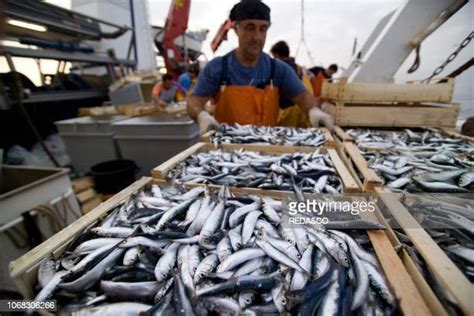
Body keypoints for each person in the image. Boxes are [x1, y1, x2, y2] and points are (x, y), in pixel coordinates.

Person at [187, 0, 333, 134]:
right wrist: (201, 115)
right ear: (236, 29)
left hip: (267, 151)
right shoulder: (218, 67)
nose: (257, 37)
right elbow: (195, 101)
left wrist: (313, 110)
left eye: (263, 29)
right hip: (226, 150)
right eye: (250, 28)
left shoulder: (278, 69)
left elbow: (302, 96)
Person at [270, 40, 313, 127]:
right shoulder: (300, 69)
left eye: (273, 56)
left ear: (277, 55)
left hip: (287, 115)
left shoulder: (278, 70)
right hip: (304, 112)